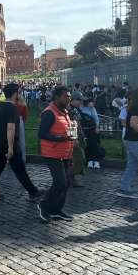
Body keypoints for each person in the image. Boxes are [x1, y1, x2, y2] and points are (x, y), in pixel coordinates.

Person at [0, 83, 41, 201]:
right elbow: (10, 128)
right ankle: (33, 192)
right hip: (10, 145)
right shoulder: (12, 108)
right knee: (19, 170)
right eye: (18, 92)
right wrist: (10, 148)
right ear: (15, 94)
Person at [37, 86, 76, 222]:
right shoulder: (49, 113)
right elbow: (42, 134)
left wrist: (73, 135)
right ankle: (44, 205)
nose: (68, 98)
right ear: (57, 97)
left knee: (65, 184)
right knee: (60, 182)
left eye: (69, 96)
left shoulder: (65, 112)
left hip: (66, 153)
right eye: (66, 96)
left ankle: (56, 210)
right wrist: (61, 138)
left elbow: (69, 130)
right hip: (52, 153)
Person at [118, 88, 138, 198]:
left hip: (131, 140)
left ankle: (124, 188)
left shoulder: (134, 107)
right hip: (134, 140)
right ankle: (124, 188)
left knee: (132, 165)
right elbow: (133, 124)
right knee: (132, 164)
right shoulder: (136, 107)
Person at [68, 91, 87, 187]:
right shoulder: (70, 110)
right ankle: (68, 178)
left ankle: (71, 179)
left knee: (78, 160)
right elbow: (71, 125)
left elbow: (78, 123)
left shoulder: (75, 109)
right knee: (79, 160)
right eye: (79, 100)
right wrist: (74, 139)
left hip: (77, 136)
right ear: (73, 100)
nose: (81, 102)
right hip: (73, 138)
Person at [80, 99, 102, 169]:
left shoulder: (92, 109)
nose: (92, 104)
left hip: (92, 129)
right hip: (84, 129)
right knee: (87, 145)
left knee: (94, 144)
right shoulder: (80, 108)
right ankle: (89, 160)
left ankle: (96, 160)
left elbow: (96, 118)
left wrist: (97, 127)